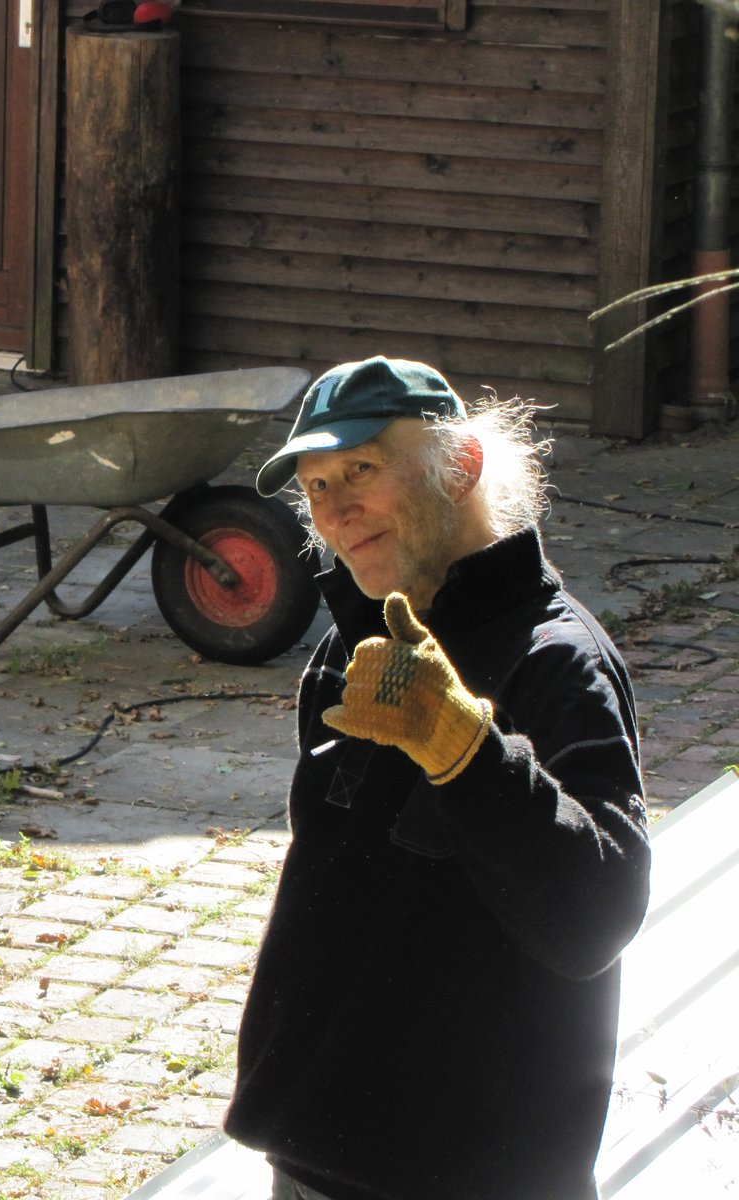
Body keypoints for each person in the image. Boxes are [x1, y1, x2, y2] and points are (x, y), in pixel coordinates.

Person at [224, 357, 651, 1200]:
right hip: (313, 1163)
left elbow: (597, 917)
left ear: (461, 467)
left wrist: (465, 750)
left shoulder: (558, 662)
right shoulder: (352, 647)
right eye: (315, 487)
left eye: (361, 470)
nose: (334, 511)